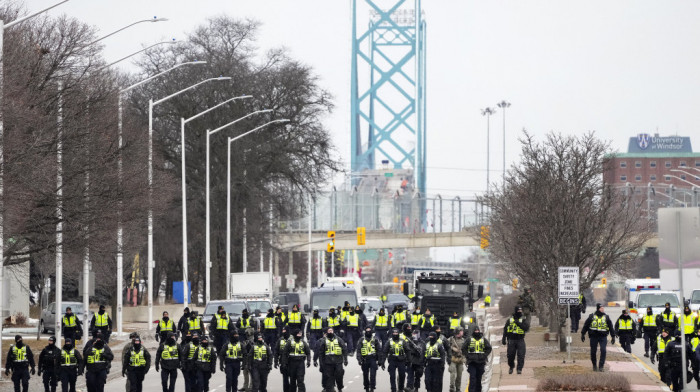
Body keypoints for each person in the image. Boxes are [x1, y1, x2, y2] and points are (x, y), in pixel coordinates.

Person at [581, 303, 615, 372]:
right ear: (598, 309)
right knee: (593, 352)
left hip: (603, 337)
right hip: (594, 336)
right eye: (601, 308)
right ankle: (594, 365)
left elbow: (611, 327)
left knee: (603, 350)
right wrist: (583, 334)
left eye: (603, 308)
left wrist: (613, 336)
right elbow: (586, 325)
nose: (603, 309)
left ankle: (601, 366)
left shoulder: (606, 317)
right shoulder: (592, 316)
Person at [315, 327, 348, 392]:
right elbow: (321, 353)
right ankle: (331, 388)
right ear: (327, 332)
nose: (330, 332)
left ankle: (340, 387)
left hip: (338, 361)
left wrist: (345, 360)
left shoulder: (339, 339)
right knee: (329, 377)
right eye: (329, 331)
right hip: (328, 363)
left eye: (331, 331)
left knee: (339, 375)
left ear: (333, 331)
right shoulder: (324, 341)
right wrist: (321, 363)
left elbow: (344, 349)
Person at [462, 326, 491, 392]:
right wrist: (468, 356)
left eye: (478, 331)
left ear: (479, 331)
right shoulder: (469, 339)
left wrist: (484, 355)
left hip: (481, 362)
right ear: (473, 331)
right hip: (472, 362)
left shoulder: (483, 339)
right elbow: (463, 348)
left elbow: (489, 348)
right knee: (472, 378)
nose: (477, 332)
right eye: (475, 331)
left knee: (478, 379)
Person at [502, 306, 529, 374]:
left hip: (520, 339)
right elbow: (505, 329)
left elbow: (526, 328)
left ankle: (519, 369)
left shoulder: (523, 319)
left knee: (521, 355)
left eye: (520, 310)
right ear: (516, 310)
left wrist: (518, 323)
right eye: (518, 310)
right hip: (511, 340)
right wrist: (504, 338)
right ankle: (511, 366)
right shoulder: (510, 320)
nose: (520, 311)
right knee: (510, 355)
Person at [357, 326, 380, 392]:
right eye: (367, 330)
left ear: (371, 331)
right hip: (364, 359)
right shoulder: (361, 339)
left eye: (369, 330)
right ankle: (366, 388)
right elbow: (358, 350)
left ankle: (372, 388)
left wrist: (380, 360)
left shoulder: (375, 339)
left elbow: (379, 350)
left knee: (373, 375)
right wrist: (359, 359)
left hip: (373, 359)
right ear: (365, 331)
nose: (368, 332)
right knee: (365, 375)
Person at [406, 326, 424, 392]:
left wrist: (419, 350)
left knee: (418, 376)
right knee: (410, 375)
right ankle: (409, 387)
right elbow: (407, 350)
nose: (414, 335)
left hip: (419, 362)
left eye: (415, 334)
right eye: (413, 334)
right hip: (411, 361)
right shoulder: (409, 341)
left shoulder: (422, 342)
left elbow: (423, 352)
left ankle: (416, 388)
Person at [447, 327, 466, 392]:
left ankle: (458, 389)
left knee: (459, 376)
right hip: (453, 359)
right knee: (453, 374)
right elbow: (446, 346)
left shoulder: (464, 340)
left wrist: (465, 359)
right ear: (458, 332)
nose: (462, 332)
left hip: (460, 360)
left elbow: (465, 350)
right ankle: (452, 387)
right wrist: (451, 348)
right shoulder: (451, 339)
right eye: (461, 331)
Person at [273, 326, 291, 392]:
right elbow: (276, 351)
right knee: (285, 379)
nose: (283, 332)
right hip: (283, 362)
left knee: (293, 379)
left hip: (292, 362)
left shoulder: (293, 339)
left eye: (284, 331)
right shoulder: (280, 340)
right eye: (282, 331)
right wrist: (275, 362)